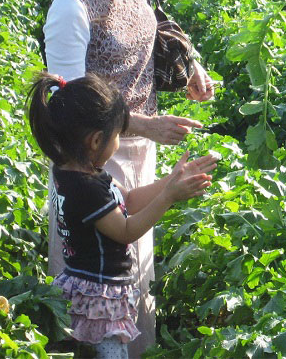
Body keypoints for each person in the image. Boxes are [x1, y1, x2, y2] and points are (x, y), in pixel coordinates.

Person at [43, 0, 215, 356]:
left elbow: (155, 19)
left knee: (134, 272)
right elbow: (71, 108)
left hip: (136, 146)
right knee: (98, 277)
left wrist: (191, 66)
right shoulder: (70, 9)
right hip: (95, 157)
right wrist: (144, 125)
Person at [27, 72, 217, 359]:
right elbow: (126, 230)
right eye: (117, 135)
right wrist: (169, 196)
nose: (117, 142)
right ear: (95, 141)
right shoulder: (86, 189)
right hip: (96, 299)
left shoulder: (75, 169)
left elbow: (128, 199)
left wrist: (172, 179)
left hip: (90, 290)